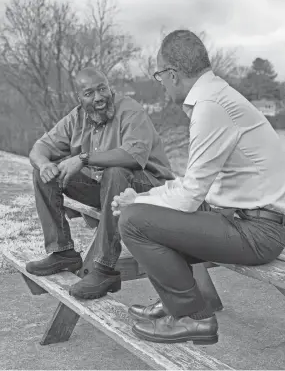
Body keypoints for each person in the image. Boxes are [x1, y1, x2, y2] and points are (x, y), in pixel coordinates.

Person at [112, 30, 285, 345]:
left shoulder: (211, 106)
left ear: (173, 74)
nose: (161, 84)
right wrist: (142, 197)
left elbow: (190, 196)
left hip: (258, 231)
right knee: (144, 214)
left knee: (134, 222)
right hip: (243, 218)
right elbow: (193, 184)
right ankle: (173, 303)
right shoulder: (216, 97)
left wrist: (138, 206)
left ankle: (194, 316)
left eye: (160, 76)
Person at [26, 67, 174, 300]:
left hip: (151, 191)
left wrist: (83, 158)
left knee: (115, 171)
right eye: (89, 93)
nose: (98, 97)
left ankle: (104, 269)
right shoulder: (76, 119)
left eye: (102, 89)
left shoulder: (131, 111)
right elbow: (38, 149)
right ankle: (62, 251)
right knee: (45, 174)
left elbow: (132, 157)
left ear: (109, 88)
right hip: (109, 188)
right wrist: (45, 165)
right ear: (79, 98)